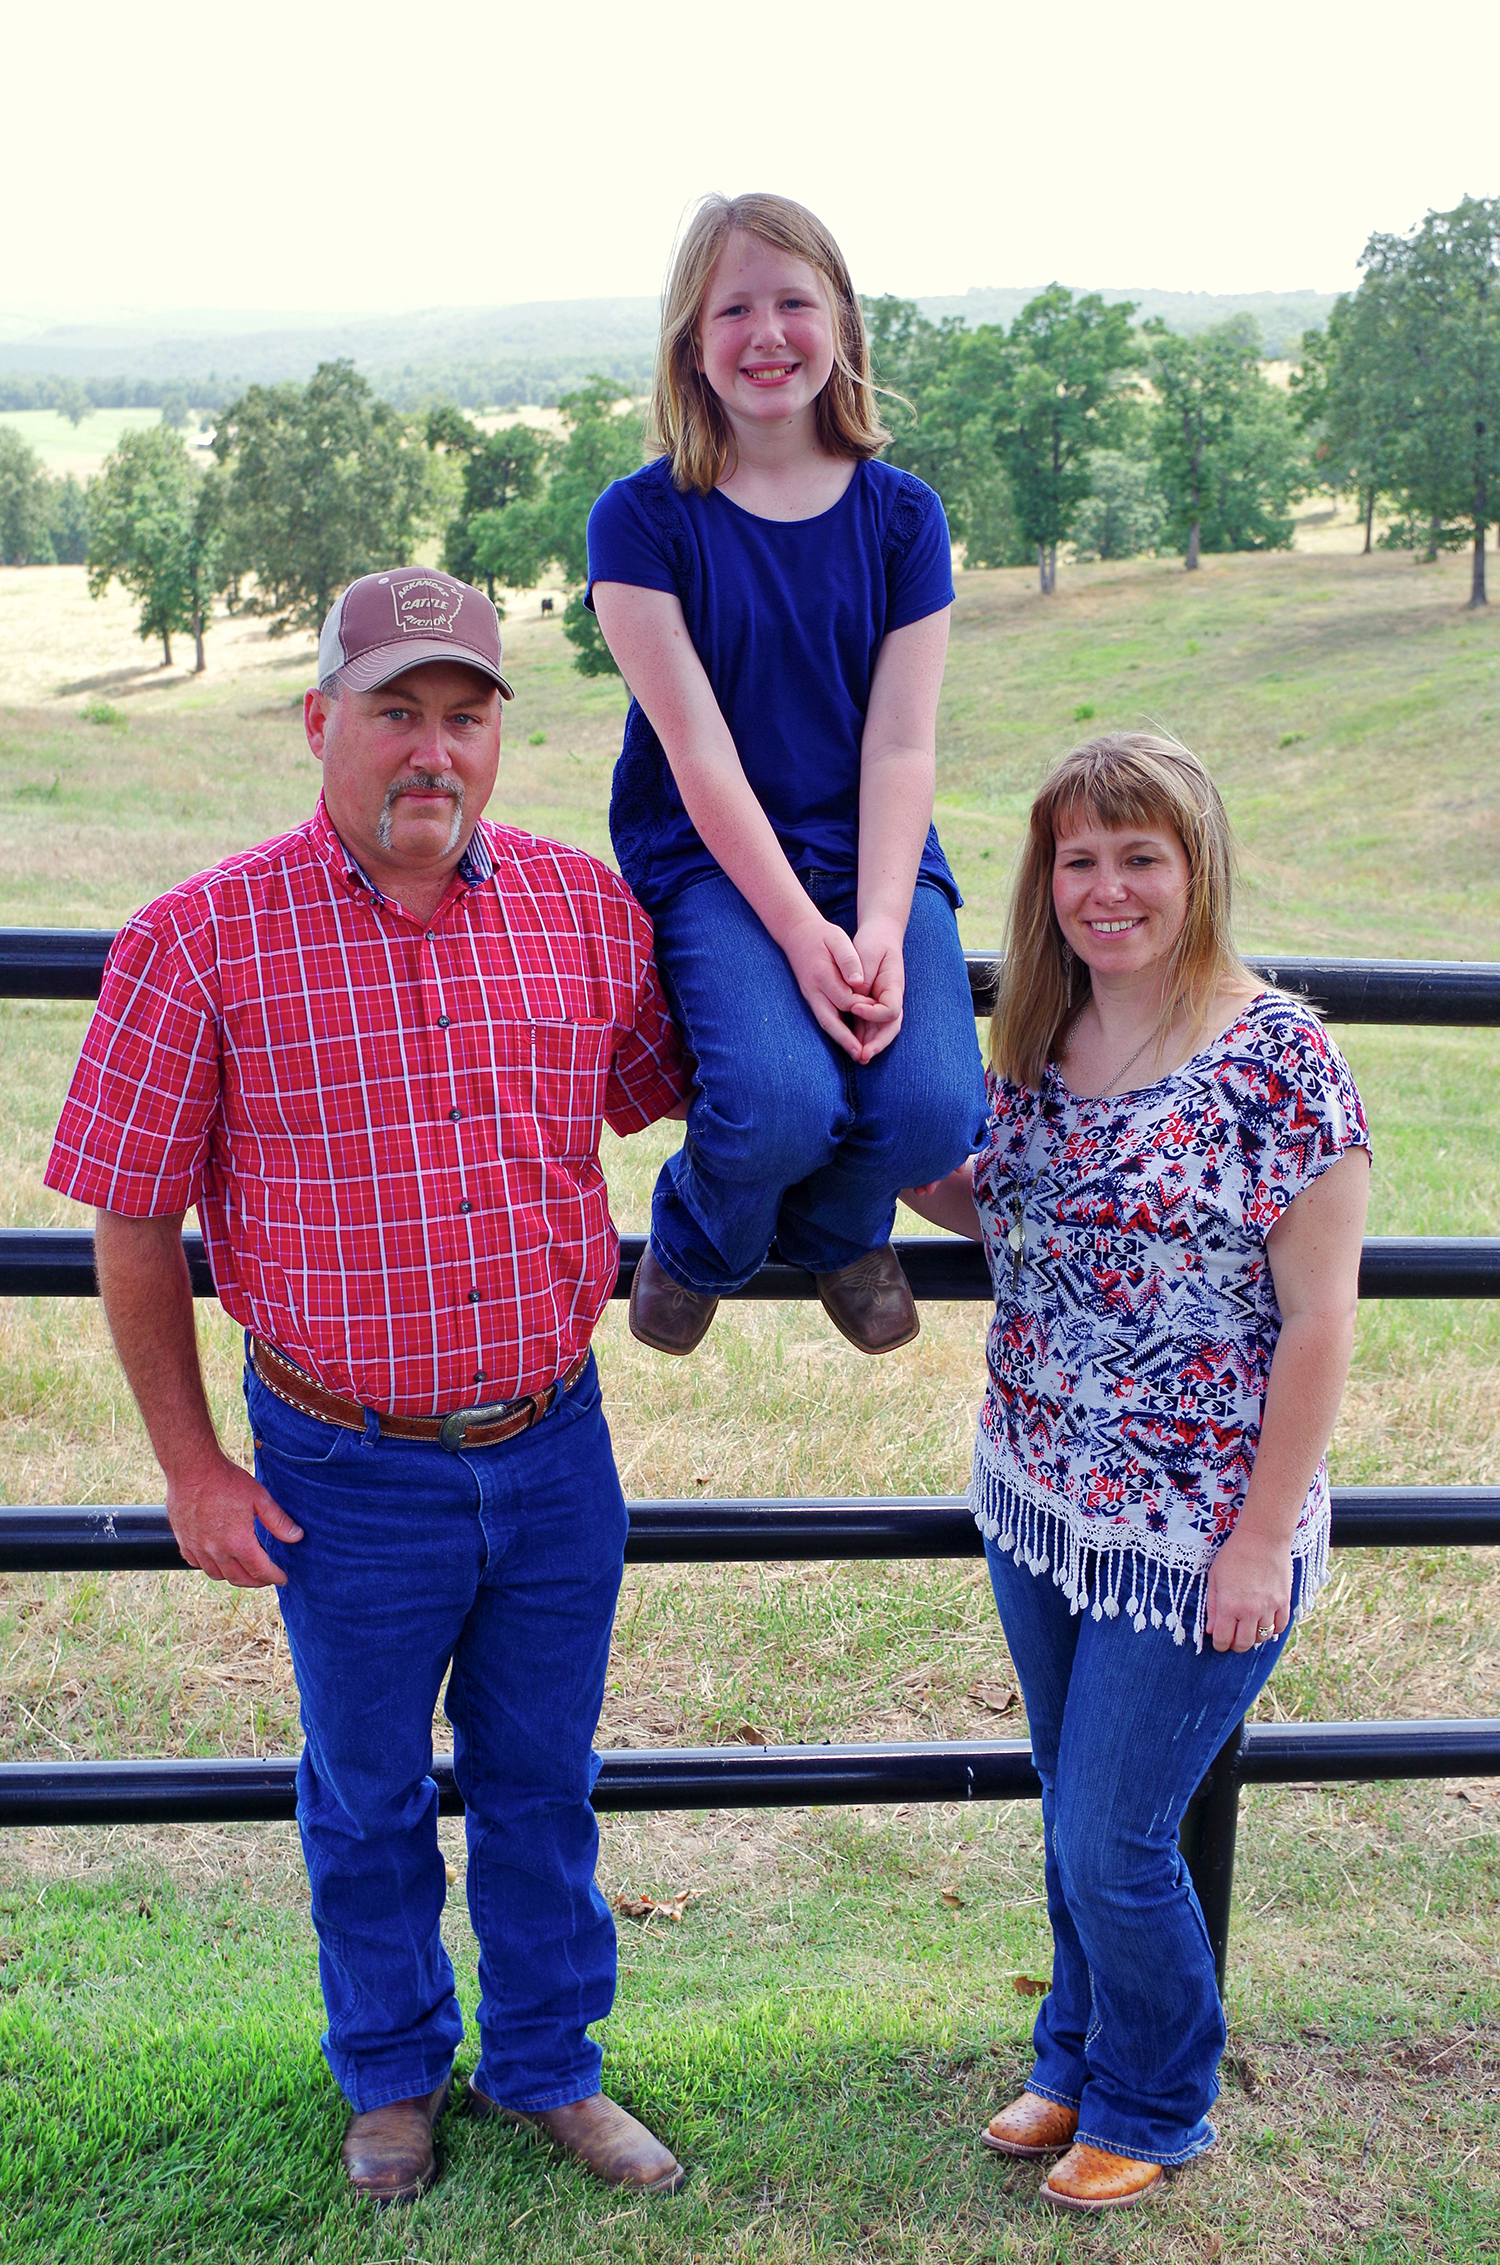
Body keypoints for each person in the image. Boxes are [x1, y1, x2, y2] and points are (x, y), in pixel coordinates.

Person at [45, 568, 695, 2206]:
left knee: (548, 1783)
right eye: (395, 710)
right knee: (367, 1799)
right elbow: (133, 1218)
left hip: (553, 1442)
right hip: (341, 1465)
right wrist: (192, 1466)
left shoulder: (583, 913)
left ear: (496, 736)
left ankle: (551, 2068)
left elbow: (697, 1088)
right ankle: (393, 2081)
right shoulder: (196, 941)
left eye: (465, 714)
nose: (433, 748)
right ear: (319, 720)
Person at [904, 733, 1370, 2213]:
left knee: (1113, 1832)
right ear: (1048, 881)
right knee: (1071, 1801)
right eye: (1079, 859)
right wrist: (864, 1124)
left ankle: (1159, 2099)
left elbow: (1319, 1321)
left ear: (1195, 869)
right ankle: (1076, 2053)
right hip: (1041, 1493)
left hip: (1194, 1530)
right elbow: (994, 1203)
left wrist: (1253, 1545)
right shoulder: (1037, 1038)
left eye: (1140, 856)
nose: (1108, 888)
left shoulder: (1277, 1057)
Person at [587, 191, 988, 1361]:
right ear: (691, 342)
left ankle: (839, 1226)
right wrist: (803, 938)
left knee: (927, 1112)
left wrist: (870, 922)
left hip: (877, 849)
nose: (767, 334)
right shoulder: (643, 521)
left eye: (794, 303)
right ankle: (703, 1240)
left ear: (843, 325)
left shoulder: (903, 515)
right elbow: (699, 754)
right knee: (776, 1103)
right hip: (716, 859)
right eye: (734, 309)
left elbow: (902, 746)